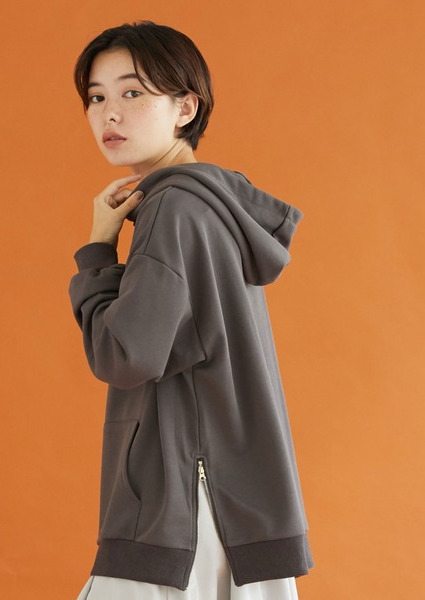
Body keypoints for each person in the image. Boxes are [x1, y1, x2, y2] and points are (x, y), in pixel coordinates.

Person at [69, 21, 313, 600]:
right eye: (96, 97)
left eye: (132, 92)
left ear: (185, 107)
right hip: (232, 495)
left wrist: (97, 252)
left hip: (183, 502)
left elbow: (126, 355)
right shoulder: (209, 206)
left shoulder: (173, 209)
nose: (109, 113)